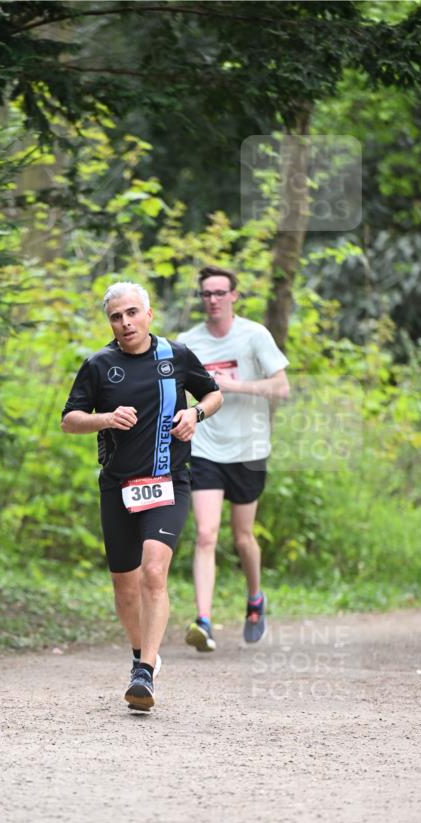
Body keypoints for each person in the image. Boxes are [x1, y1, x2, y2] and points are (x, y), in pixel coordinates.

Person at [61, 281, 222, 711]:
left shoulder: (176, 356)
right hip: (118, 486)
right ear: (110, 323)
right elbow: (69, 420)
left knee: (154, 571)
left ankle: (144, 673)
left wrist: (196, 413)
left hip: (169, 481)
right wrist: (106, 418)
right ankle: (140, 655)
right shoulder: (99, 365)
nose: (125, 322)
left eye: (132, 313)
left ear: (149, 315)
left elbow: (214, 393)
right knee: (125, 584)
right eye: (116, 316)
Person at [177, 265, 289, 650]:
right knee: (206, 534)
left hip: (249, 450)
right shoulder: (188, 341)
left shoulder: (254, 336)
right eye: (206, 294)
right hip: (206, 447)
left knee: (243, 538)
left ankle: (255, 599)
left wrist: (234, 386)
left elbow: (282, 387)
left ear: (233, 296)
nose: (212, 300)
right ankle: (203, 622)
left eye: (219, 293)